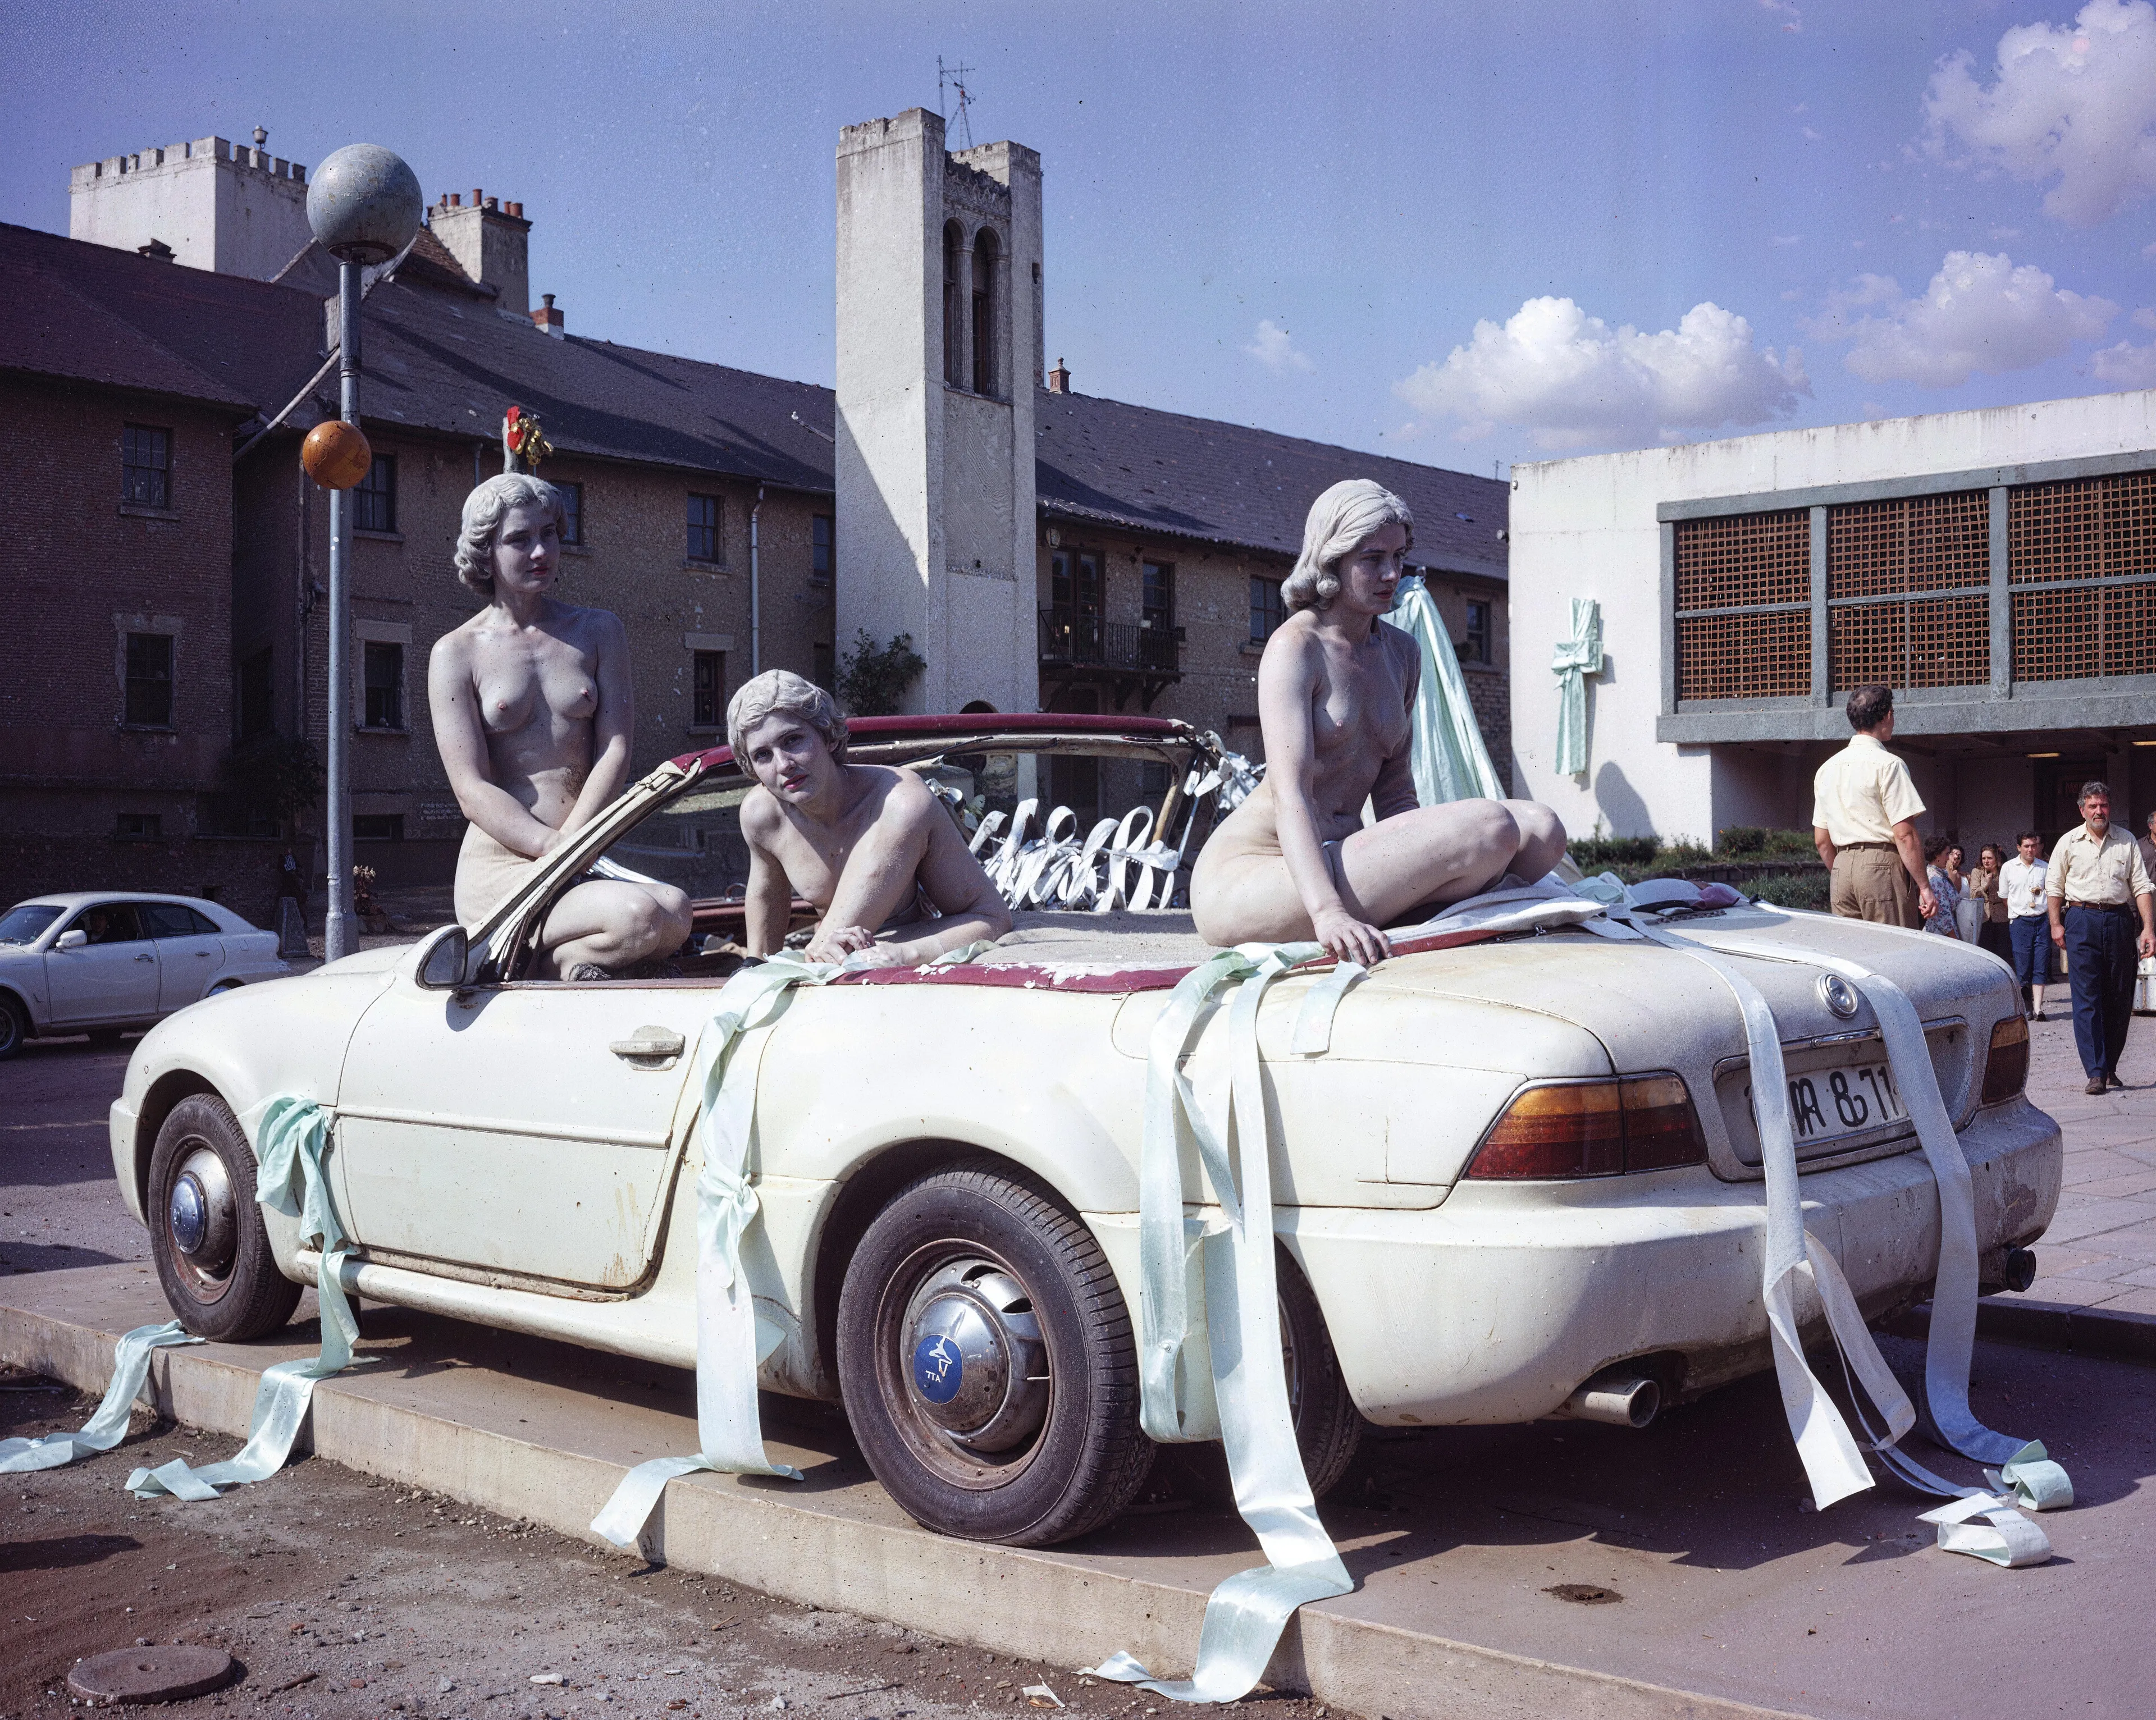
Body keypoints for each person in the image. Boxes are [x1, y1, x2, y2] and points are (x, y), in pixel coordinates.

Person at [1187, 479, 1565, 964]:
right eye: (1372, 559)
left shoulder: (1402, 653)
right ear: (1332, 561)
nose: (1392, 574)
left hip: (1342, 857)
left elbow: (1395, 795)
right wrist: (1327, 914)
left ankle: (1416, 909)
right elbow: (1291, 795)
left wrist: (1425, 864)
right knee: (1491, 828)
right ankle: (1399, 907)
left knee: (1542, 830)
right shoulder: (1295, 647)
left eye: (1400, 557)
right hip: (1255, 876)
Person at [428, 473, 691, 979]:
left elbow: (615, 749)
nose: (539, 551)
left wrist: (576, 844)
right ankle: (539, 962)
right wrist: (554, 850)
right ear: (485, 550)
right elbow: (470, 787)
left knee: (678, 910)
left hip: (582, 850)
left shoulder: (598, 631)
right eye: (519, 539)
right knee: (637, 919)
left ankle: (554, 964)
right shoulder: (455, 653)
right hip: (504, 863)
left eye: (549, 533)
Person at [732, 669, 1012, 966]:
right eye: (763, 755)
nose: (783, 765)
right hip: (829, 970)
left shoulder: (899, 801)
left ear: (827, 736)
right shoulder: (762, 815)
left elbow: (991, 915)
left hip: (905, 970)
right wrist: (755, 971)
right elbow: (767, 908)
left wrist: (908, 954)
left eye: (793, 740)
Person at [2044, 781, 2156, 1095]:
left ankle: (2110, 1067)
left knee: (2120, 997)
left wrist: (2148, 928)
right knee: (2087, 997)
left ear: (2110, 808)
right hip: (2081, 919)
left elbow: (2142, 887)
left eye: (2103, 805)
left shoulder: (2127, 841)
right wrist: (2056, 925)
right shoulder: (2068, 843)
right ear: (2082, 809)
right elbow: (2054, 887)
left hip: (2120, 920)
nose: (2098, 811)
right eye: (2092, 806)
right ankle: (2095, 1071)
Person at [1811, 685, 1935, 928]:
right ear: (1887, 715)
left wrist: (1843, 872)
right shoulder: (1890, 765)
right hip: (1882, 866)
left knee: (1854, 954)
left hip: (1841, 870)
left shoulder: (1826, 769)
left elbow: (1822, 841)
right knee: (1894, 951)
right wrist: (1925, 887)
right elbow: (1905, 834)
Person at [2001, 831, 2053, 1018]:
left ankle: (2038, 1009)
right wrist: (2018, 913)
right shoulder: (2008, 868)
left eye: (2033, 846)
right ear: (2019, 848)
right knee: (2023, 966)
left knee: (2041, 964)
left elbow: (2052, 893)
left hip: (2042, 920)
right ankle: (2026, 1008)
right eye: (2026, 846)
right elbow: (2004, 897)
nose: (2030, 850)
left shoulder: (2045, 868)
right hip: (2020, 922)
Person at [1967, 843, 2012, 963]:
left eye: (1989, 858)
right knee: (1986, 951)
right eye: (1984, 858)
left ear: (1997, 858)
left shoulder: (2004, 871)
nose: (1986, 861)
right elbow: (1973, 894)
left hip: (2003, 915)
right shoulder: (1977, 872)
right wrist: (1985, 884)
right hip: (1985, 917)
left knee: (2003, 951)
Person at [1923, 834, 1963, 938]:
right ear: (1937, 855)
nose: (1948, 858)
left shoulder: (1941, 874)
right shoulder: (1935, 878)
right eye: (1946, 854)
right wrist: (1953, 937)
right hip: (1941, 934)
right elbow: (1942, 913)